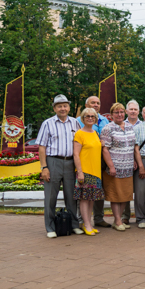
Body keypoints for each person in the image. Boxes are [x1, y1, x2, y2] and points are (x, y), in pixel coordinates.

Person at [38, 94, 83, 238]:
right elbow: (42, 147)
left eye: (65, 106)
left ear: (69, 107)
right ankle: (50, 227)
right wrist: (44, 167)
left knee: (72, 197)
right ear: (54, 108)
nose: (62, 108)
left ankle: (74, 225)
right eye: (59, 106)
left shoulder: (75, 123)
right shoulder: (47, 123)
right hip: (53, 162)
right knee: (50, 197)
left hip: (70, 162)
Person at [101, 103, 136, 232]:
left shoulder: (129, 126)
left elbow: (132, 146)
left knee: (125, 195)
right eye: (116, 112)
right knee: (115, 195)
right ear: (111, 115)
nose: (119, 114)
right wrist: (111, 166)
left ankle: (118, 220)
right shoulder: (108, 128)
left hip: (128, 167)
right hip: (114, 168)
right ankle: (117, 220)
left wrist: (133, 160)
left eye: (121, 112)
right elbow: (105, 150)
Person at [76, 96, 110, 228]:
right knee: (84, 196)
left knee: (96, 194)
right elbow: (76, 151)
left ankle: (97, 218)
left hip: (99, 162)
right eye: (93, 103)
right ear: (86, 105)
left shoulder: (104, 121)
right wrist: (79, 171)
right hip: (85, 164)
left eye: (98, 103)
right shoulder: (78, 124)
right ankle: (82, 221)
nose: (96, 105)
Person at [73, 108, 105, 236]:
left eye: (93, 116)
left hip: (96, 171)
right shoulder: (79, 134)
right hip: (85, 171)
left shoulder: (95, 133)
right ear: (83, 118)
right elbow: (76, 154)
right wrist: (80, 172)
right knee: (84, 199)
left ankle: (89, 223)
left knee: (92, 199)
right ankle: (86, 224)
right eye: (87, 116)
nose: (90, 118)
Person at [122, 99, 141, 225]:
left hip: (140, 162)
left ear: (138, 111)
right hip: (124, 161)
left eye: (135, 109)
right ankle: (125, 216)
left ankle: (140, 216)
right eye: (131, 109)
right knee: (125, 189)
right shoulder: (121, 124)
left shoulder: (143, 125)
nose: (133, 111)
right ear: (126, 111)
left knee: (140, 190)